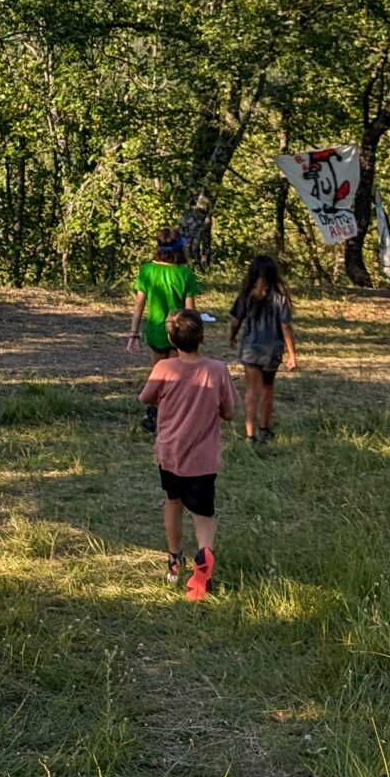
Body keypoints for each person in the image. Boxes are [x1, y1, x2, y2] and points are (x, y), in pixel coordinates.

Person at [142, 310, 234, 598]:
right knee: (204, 513)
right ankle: (204, 555)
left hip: (170, 453)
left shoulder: (164, 368)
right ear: (202, 338)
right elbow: (229, 412)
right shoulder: (218, 369)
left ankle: (174, 559)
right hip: (204, 457)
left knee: (172, 502)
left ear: (171, 338)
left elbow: (145, 397)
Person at [227, 254, 299, 449]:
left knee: (251, 390)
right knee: (267, 389)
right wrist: (292, 355)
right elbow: (286, 327)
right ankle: (264, 429)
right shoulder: (280, 299)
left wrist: (232, 336)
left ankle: (249, 434)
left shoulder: (246, 296)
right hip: (271, 350)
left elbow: (236, 320)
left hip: (250, 349)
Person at [128, 231, 196, 434]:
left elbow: (139, 305)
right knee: (176, 375)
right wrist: (195, 334)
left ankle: (153, 413)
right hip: (179, 330)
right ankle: (173, 416)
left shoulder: (147, 271)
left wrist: (134, 333)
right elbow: (190, 309)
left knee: (157, 373)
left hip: (156, 329)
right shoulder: (185, 274)